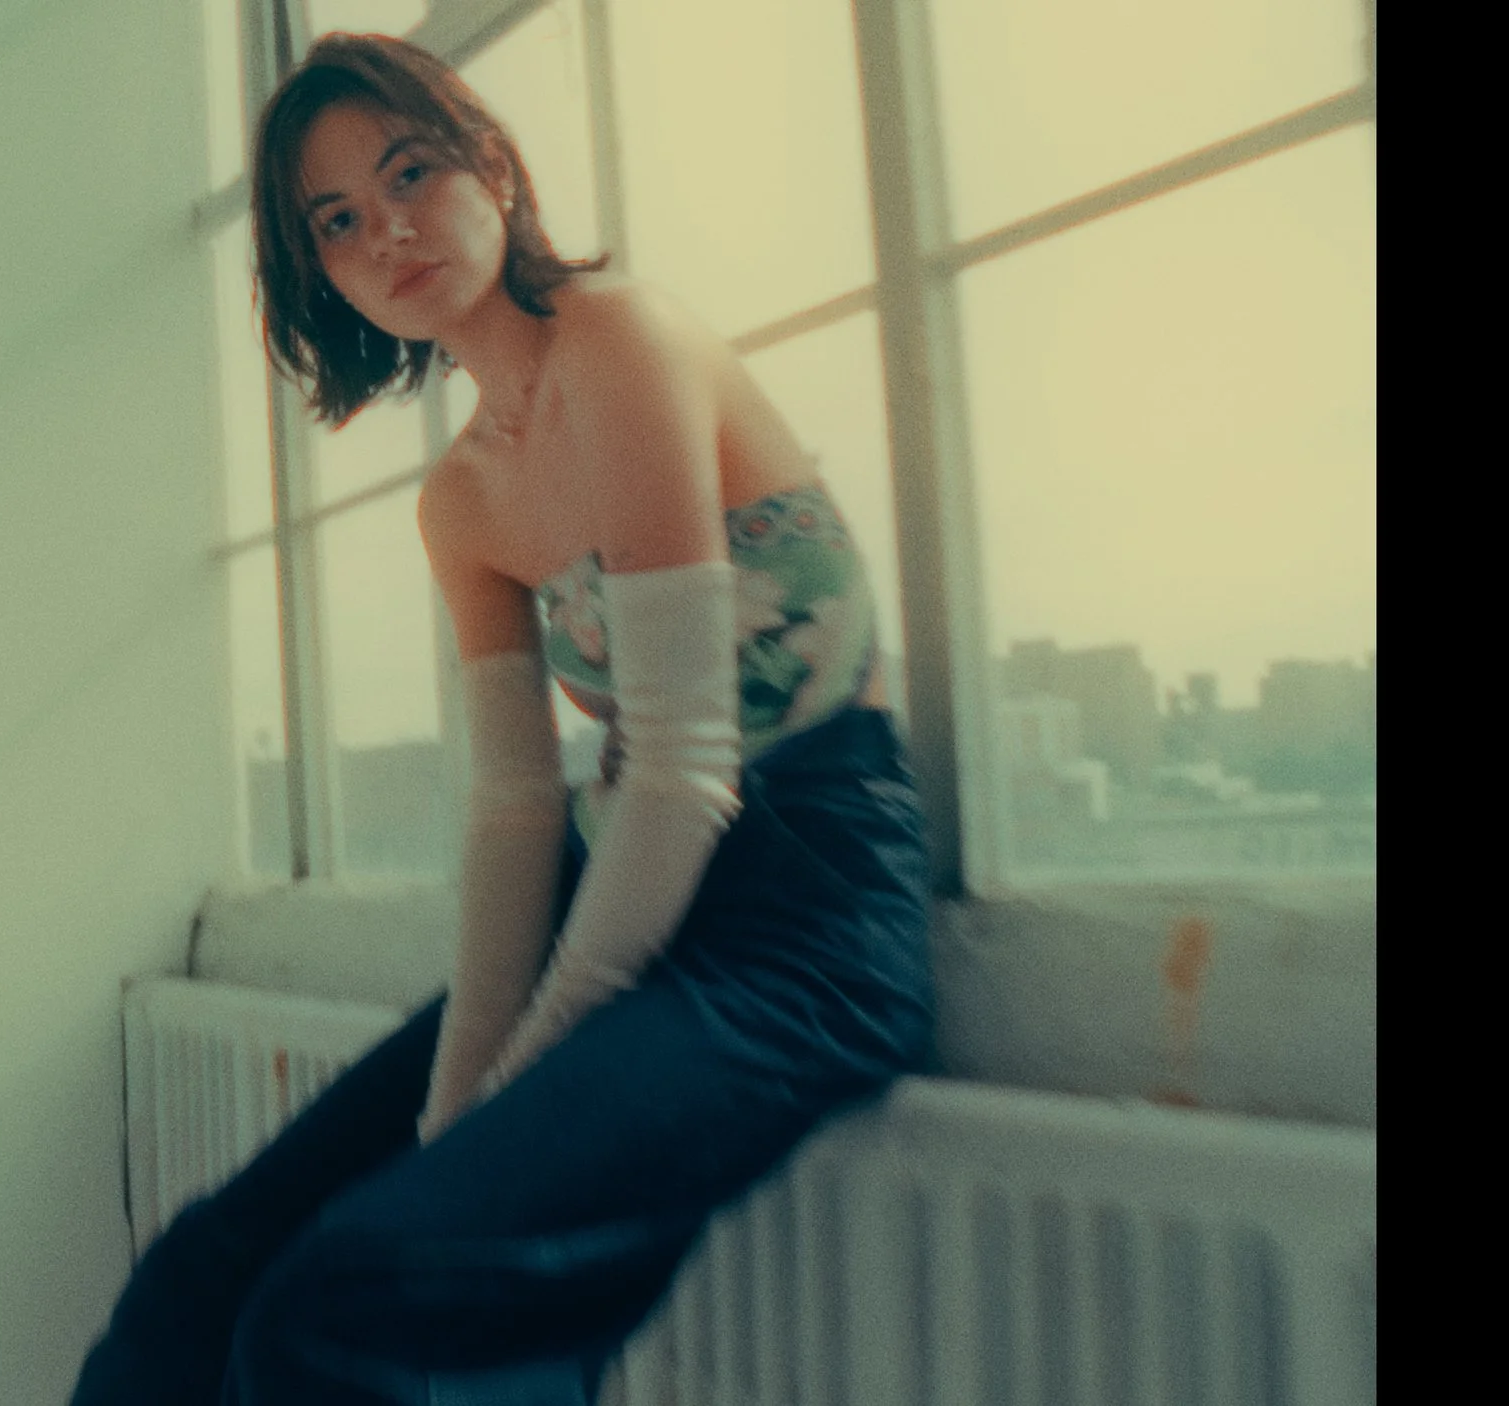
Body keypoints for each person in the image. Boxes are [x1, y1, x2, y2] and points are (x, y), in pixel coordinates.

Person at [70, 31, 934, 1406]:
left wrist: (514, 1080)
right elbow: (519, 813)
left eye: (410, 171)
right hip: (618, 897)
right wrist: (449, 1104)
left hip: (804, 913)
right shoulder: (460, 502)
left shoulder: (621, 338)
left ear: (491, 164)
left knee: (352, 1300)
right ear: (321, 273)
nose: (388, 230)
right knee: (203, 1274)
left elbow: (686, 770)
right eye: (337, 221)